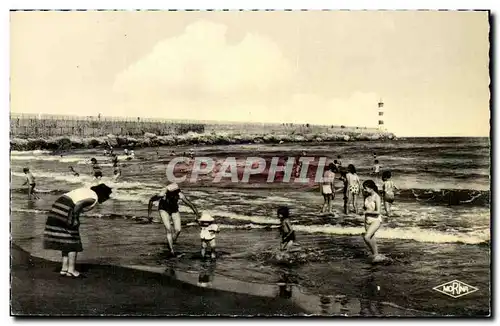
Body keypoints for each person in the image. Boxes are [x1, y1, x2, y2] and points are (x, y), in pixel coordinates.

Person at [43, 183, 112, 278]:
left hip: (58, 206)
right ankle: (71, 270)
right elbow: (78, 205)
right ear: (102, 194)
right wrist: (75, 219)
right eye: (106, 196)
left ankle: (64, 268)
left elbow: (76, 202)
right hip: (67, 209)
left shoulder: (86, 191)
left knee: (65, 239)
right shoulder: (93, 198)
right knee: (73, 241)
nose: (106, 199)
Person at [148, 183, 200, 256]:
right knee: (169, 229)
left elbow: (190, 204)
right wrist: (149, 214)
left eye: (176, 192)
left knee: (178, 230)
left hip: (174, 209)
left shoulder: (180, 195)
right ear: (169, 192)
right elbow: (151, 200)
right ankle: (171, 250)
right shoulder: (162, 194)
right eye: (174, 192)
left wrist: (197, 214)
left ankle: (171, 242)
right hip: (163, 209)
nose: (176, 194)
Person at [362, 180, 385, 263]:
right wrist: (364, 211)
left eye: (366, 188)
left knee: (366, 237)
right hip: (367, 220)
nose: (364, 190)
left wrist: (367, 212)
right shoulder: (366, 196)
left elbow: (378, 212)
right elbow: (365, 208)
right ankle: (376, 255)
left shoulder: (377, 197)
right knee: (372, 239)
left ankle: (375, 255)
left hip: (375, 220)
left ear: (371, 188)